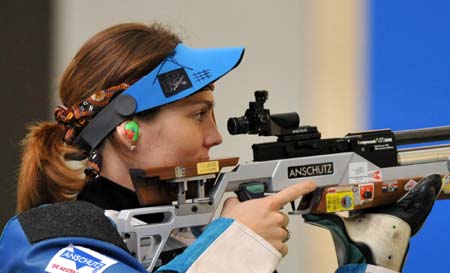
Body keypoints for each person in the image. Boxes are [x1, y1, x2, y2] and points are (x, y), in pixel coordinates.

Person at [0, 23, 444, 273]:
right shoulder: (46, 242)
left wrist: (370, 257)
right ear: (127, 131)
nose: (215, 138)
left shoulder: (191, 240)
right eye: (198, 114)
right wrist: (237, 241)